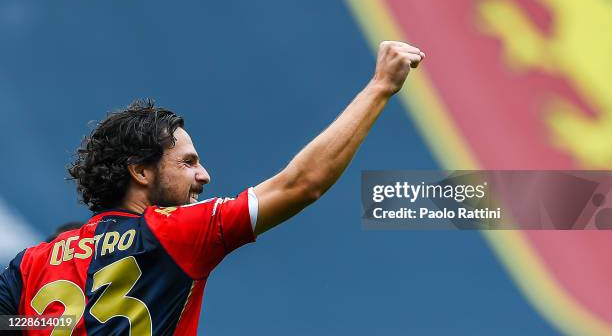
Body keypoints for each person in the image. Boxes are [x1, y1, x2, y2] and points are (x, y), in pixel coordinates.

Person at [0, 41, 425, 335]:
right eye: (187, 162)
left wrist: (52, 323)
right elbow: (303, 184)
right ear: (141, 173)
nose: (204, 175)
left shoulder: (29, 264)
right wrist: (381, 87)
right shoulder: (174, 233)